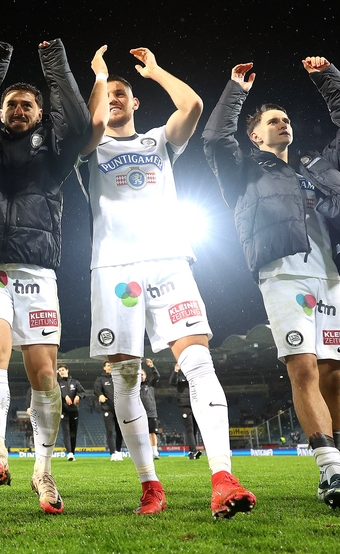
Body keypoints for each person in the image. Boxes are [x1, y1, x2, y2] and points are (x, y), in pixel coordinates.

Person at [79, 48, 255, 518]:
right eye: (108, 95)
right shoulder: (89, 147)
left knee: (197, 361)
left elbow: (193, 107)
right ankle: (150, 485)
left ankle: (222, 476)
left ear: (136, 103)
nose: (114, 99)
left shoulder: (158, 141)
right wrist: (99, 79)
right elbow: (88, 127)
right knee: (126, 376)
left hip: (170, 261)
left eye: (122, 94)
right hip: (115, 270)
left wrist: (154, 72)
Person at [0, 38, 102, 515]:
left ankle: (43, 469)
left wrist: (55, 62)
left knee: (42, 374)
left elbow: (78, 124)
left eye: (27, 104)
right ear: (1, 113)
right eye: (11, 104)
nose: (18, 109)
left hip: (38, 270)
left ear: (40, 113)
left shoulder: (56, 155)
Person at [202, 57, 340, 508]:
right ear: (255, 135)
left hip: (331, 276)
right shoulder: (244, 171)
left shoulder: (319, 168)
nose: (283, 124)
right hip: (283, 273)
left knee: (333, 374)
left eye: (285, 119)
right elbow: (214, 137)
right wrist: (236, 89)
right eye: (272, 121)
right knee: (303, 367)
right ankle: (329, 472)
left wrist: (327, 79)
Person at [93, 361, 123, 460]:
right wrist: (100, 395)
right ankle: (112, 453)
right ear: (104, 368)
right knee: (110, 431)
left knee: (120, 431)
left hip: (119, 408)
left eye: (112, 365)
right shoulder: (100, 379)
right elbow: (96, 389)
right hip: (107, 408)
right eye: (108, 365)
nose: (110, 367)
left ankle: (118, 451)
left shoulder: (118, 378)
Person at [170, 363, 201, 459]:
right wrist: (175, 370)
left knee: (195, 428)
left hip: (195, 404)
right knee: (190, 428)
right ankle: (193, 450)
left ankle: (192, 451)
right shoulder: (180, 376)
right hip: (185, 405)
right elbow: (172, 382)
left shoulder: (193, 376)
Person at [56, 366, 83, 461]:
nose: (61, 372)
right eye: (59, 371)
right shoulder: (57, 384)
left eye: (63, 370)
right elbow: (55, 395)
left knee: (73, 433)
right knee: (66, 432)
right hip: (63, 411)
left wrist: (78, 396)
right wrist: (65, 396)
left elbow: (82, 392)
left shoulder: (75, 382)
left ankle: (72, 452)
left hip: (74, 411)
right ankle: (69, 453)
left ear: (67, 370)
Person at [139, 359, 161, 459]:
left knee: (153, 433)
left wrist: (152, 367)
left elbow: (157, 376)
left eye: (142, 374)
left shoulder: (150, 384)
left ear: (145, 376)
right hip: (139, 413)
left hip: (151, 412)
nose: (141, 376)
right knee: (143, 434)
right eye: (139, 375)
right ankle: (145, 452)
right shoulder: (135, 387)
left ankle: (154, 452)